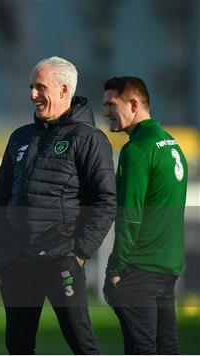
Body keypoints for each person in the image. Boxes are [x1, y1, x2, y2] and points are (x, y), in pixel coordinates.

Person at [0, 56, 116, 354]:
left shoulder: (89, 139)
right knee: (18, 344)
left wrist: (80, 253)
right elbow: (0, 198)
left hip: (61, 258)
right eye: (31, 86)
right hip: (17, 261)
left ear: (63, 90)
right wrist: (1, 249)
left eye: (40, 87)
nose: (33, 94)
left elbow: (106, 201)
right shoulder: (20, 137)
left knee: (81, 342)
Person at [102, 76, 187, 354]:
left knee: (142, 349)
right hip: (167, 268)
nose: (105, 112)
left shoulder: (137, 149)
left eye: (111, 104)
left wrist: (115, 267)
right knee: (167, 347)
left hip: (139, 269)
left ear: (134, 104)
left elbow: (131, 216)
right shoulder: (171, 143)